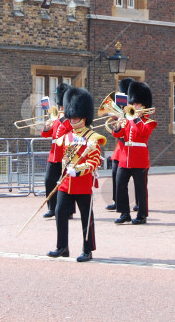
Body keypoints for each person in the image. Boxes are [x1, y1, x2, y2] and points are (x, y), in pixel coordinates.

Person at [47, 87, 105, 262]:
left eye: (75, 117)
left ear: (84, 116)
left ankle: (87, 249)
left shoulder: (93, 137)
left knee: (86, 218)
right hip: (66, 183)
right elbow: (60, 151)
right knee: (60, 212)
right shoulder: (68, 136)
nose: (72, 120)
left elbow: (95, 161)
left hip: (82, 183)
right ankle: (62, 246)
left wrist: (79, 170)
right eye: (71, 116)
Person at [113, 81, 156, 225]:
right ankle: (124, 213)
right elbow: (117, 134)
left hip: (139, 158)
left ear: (143, 106)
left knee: (140, 189)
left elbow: (143, 132)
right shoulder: (127, 119)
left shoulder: (149, 121)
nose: (134, 106)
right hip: (125, 157)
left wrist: (135, 118)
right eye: (134, 103)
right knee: (120, 184)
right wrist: (119, 125)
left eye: (137, 104)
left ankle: (142, 214)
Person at [40, 83, 73, 218]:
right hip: (54, 155)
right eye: (60, 106)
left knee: (67, 183)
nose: (60, 108)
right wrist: (47, 126)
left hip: (66, 155)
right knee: (49, 180)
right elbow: (46, 134)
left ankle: (68, 210)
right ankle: (52, 208)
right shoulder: (56, 120)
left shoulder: (71, 120)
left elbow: (71, 135)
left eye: (62, 106)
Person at [106, 77, 135, 211]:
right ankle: (117, 200)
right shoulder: (121, 106)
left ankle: (139, 203)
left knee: (139, 178)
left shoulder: (136, 109)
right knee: (115, 173)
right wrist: (116, 120)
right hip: (120, 148)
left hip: (133, 148)